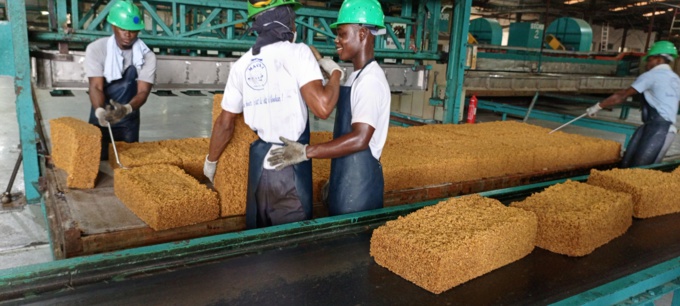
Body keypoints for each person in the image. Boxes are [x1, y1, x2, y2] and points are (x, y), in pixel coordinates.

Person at [203, 0, 343, 229]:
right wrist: (335, 72)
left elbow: (224, 123)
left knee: (259, 241)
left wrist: (211, 161)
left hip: (260, 168)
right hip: (289, 166)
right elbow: (323, 107)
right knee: (288, 249)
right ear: (286, 18)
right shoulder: (298, 53)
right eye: (294, 20)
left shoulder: (242, 64)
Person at [268, 0, 391, 216]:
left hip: (359, 193)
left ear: (362, 34)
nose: (337, 40)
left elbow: (360, 138)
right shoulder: (356, 78)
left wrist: (306, 151)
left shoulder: (370, 81)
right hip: (346, 183)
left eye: (342, 34)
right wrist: (330, 73)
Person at [586, 40, 680, 168]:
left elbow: (622, 96)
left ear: (659, 59)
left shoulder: (651, 75)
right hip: (654, 126)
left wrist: (597, 107)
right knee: (627, 163)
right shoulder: (675, 79)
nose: (647, 63)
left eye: (650, 59)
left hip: (659, 130)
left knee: (638, 169)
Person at [85, 0, 156, 160]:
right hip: (100, 116)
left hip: (128, 120)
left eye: (133, 30)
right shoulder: (97, 49)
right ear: (113, 26)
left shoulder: (147, 56)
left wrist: (126, 109)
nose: (128, 34)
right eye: (123, 28)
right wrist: (100, 111)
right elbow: (95, 86)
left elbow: (143, 91)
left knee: (126, 162)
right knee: (96, 162)